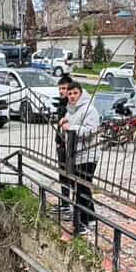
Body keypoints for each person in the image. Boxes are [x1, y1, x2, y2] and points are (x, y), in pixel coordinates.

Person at [59, 77, 100, 235]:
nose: (72, 96)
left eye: (75, 93)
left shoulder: (89, 110)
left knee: (82, 187)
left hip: (88, 153)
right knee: (81, 187)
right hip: (76, 154)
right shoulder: (71, 110)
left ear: (81, 94)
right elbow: (68, 129)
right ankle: (90, 218)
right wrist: (64, 125)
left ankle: (82, 222)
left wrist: (71, 128)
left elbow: (90, 131)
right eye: (70, 93)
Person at [53, 73, 74, 210]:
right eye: (60, 88)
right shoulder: (61, 104)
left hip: (70, 145)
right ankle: (65, 202)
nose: (62, 91)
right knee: (62, 174)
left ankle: (72, 205)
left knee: (70, 175)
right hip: (61, 143)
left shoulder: (71, 106)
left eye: (64, 88)